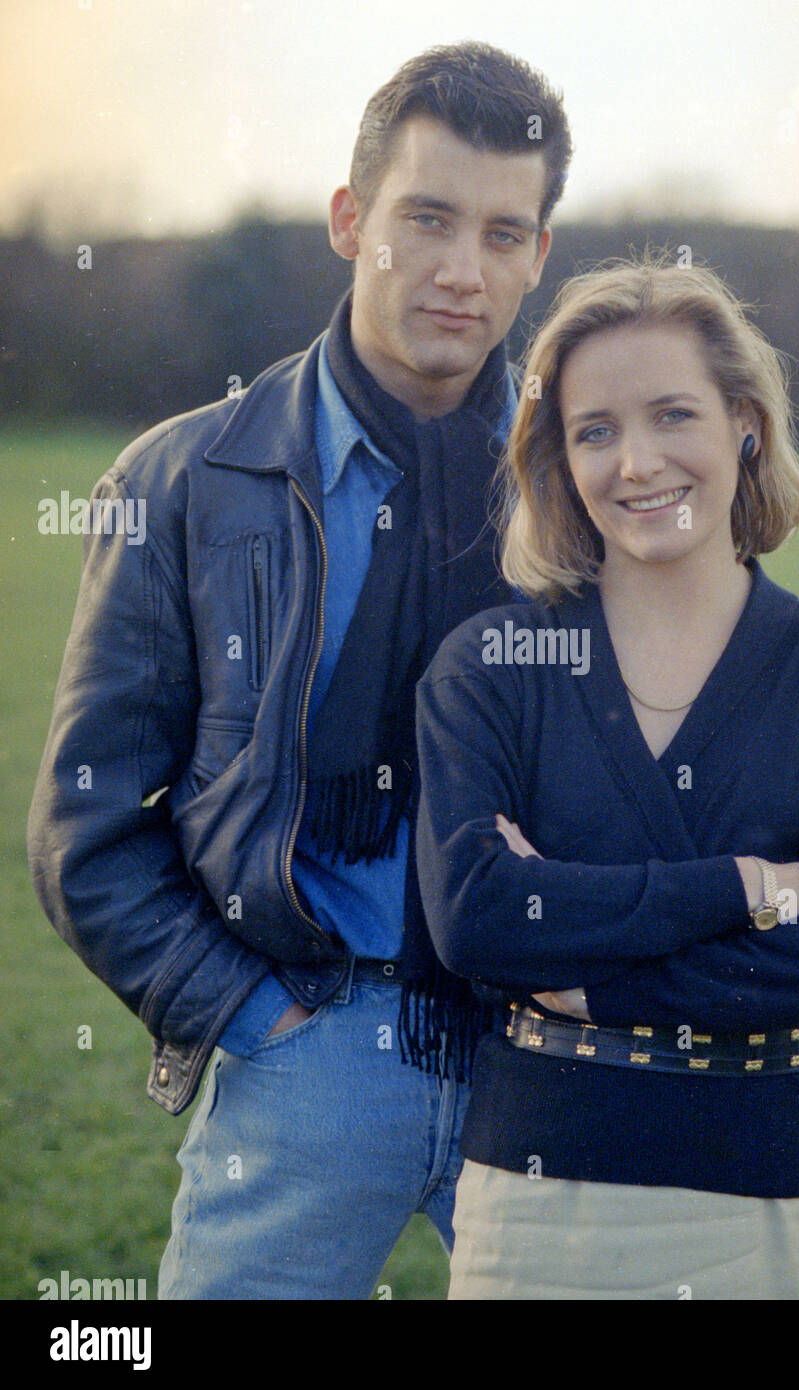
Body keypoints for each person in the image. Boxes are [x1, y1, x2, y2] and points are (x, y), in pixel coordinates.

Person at [26, 41, 569, 1299]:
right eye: (424, 218)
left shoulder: (581, 482)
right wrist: (251, 1018)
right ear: (348, 219)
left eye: (502, 232)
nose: (459, 268)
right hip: (306, 1046)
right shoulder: (181, 482)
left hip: (546, 1052)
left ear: (538, 255)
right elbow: (86, 826)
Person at [414, 258, 799, 1299]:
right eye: (594, 429)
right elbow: (477, 920)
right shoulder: (489, 665)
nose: (636, 462)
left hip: (777, 1201)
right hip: (537, 1209)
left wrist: (589, 974)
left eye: (672, 415)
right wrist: (739, 887)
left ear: (743, 423)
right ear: (556, 457)